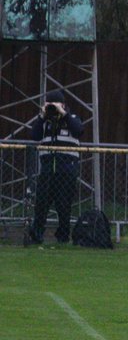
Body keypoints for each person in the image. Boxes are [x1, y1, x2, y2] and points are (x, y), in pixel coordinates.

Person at [26, 89, 84, 245]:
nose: (52, 107)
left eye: (55, 104)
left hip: (66, 170)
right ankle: (37, 236)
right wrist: (42, 116)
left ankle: (63, 237)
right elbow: (34, 135)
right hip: (47, 170)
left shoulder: (72, 118)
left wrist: (62, 113)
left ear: (63, 105)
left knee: (64, 206)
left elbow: (79, 130)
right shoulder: (45, 122)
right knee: (41, 205)